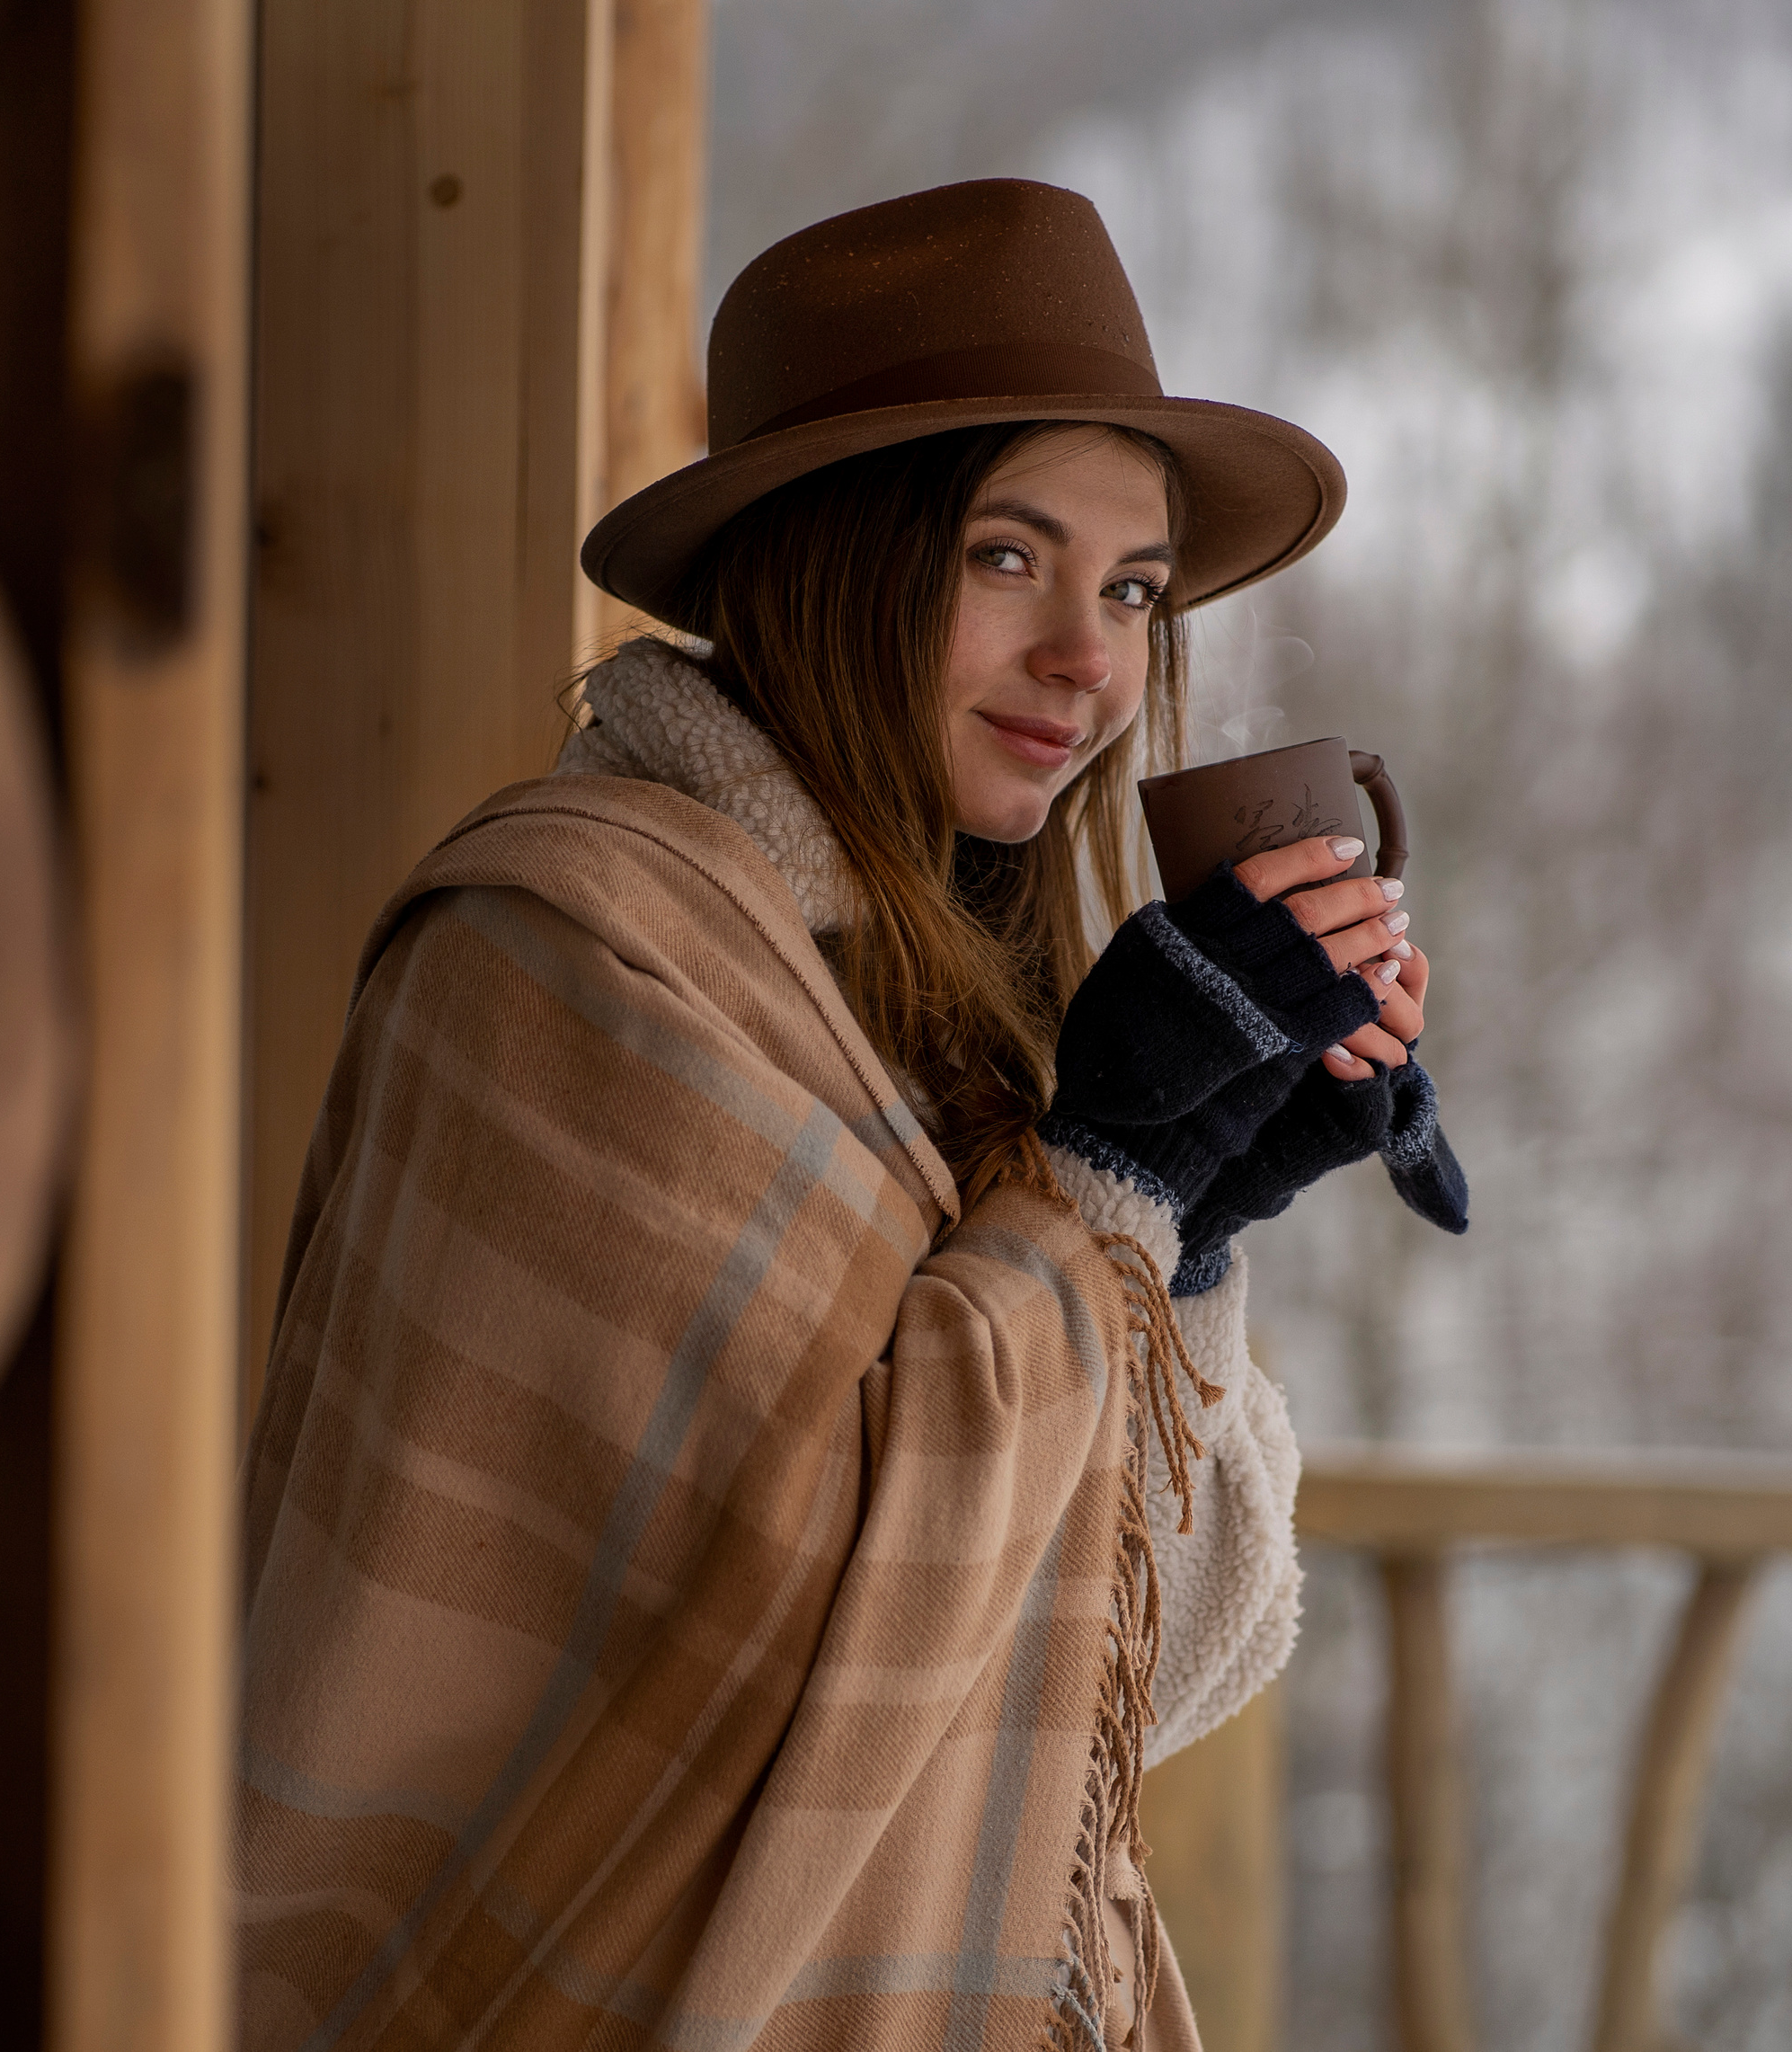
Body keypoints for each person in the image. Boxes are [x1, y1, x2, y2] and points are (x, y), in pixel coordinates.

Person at [235, 179, 1467, 2052]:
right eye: (1005, 556)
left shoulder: (975, 1012)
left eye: (1132, 587)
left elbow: (1135, 1681)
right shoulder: (571, 956)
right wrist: (1107, 1182)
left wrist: (1190, 1226)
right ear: (827, 559)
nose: (1089, 657)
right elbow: (775, 1663)